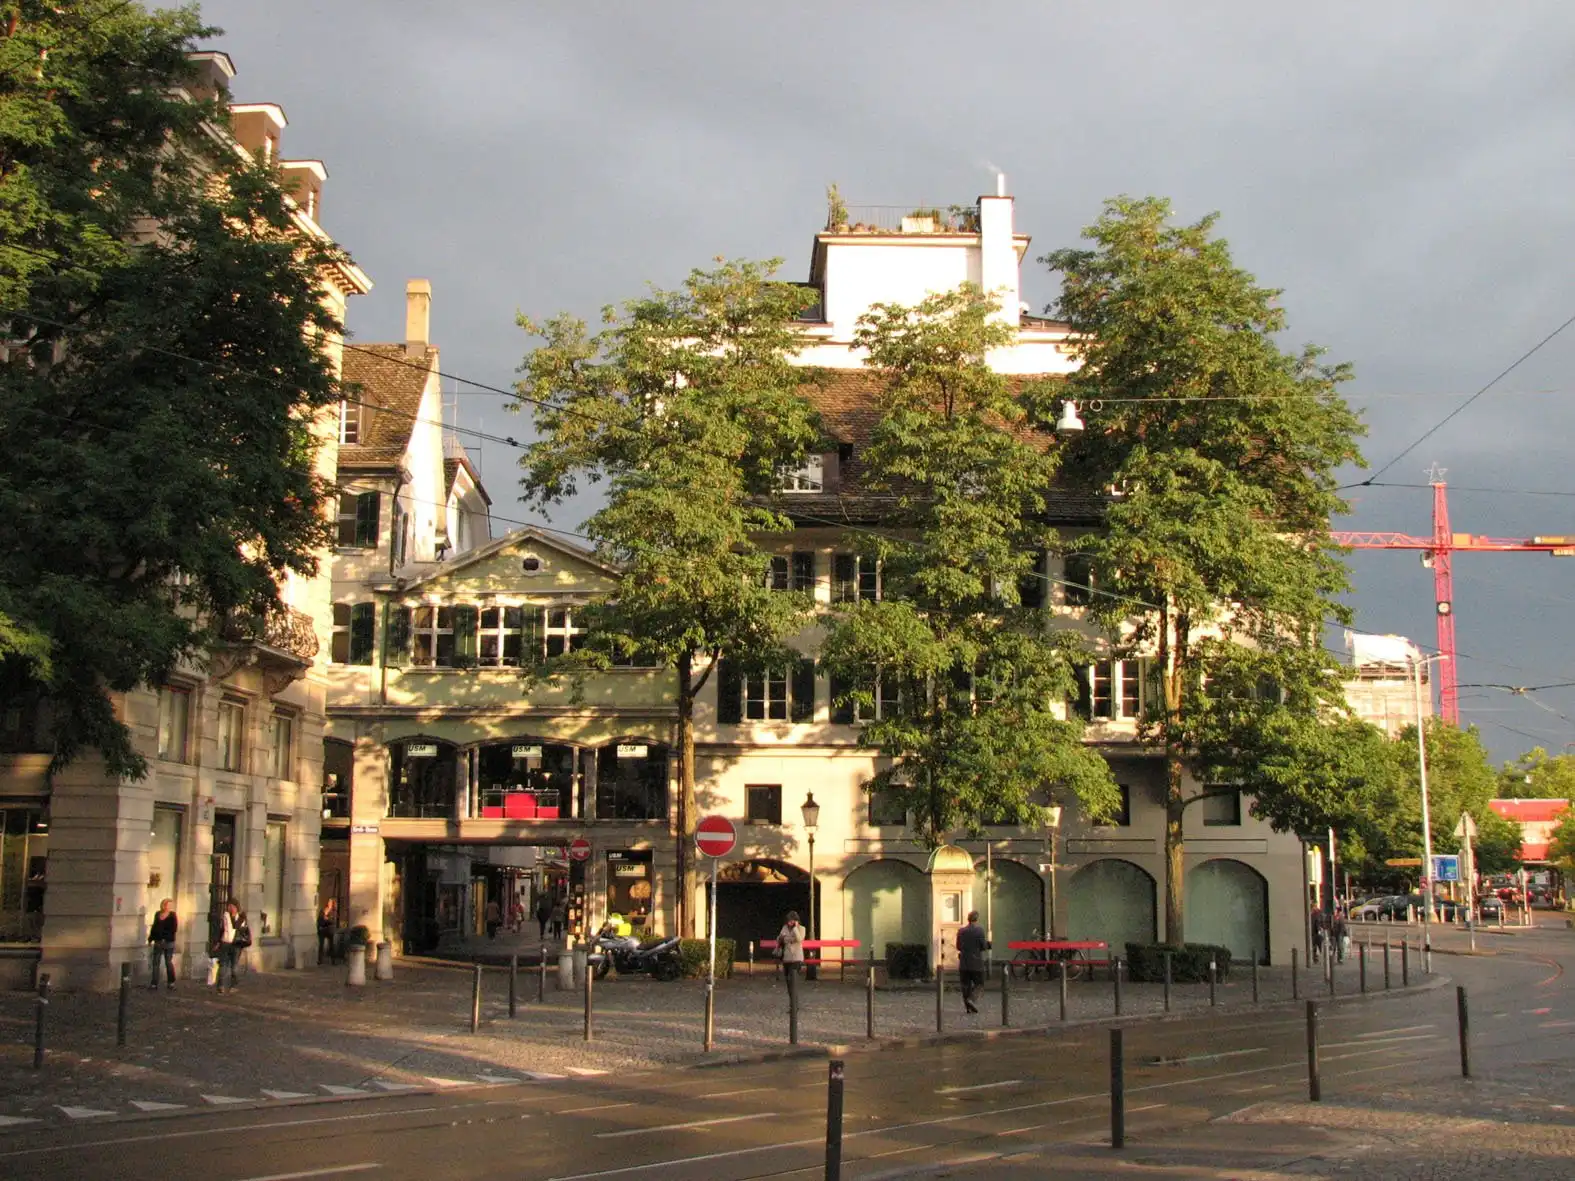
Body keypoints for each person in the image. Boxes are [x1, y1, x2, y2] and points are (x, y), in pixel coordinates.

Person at [956, 910, 989, 1014]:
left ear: (968, 919)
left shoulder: (961, 931)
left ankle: (968, 1008)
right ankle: (971, 999)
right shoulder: (979, 931)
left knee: (965, 985)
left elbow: (958, 946)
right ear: (976, 919)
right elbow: (983, 946)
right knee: (980, 984)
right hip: (976, 963)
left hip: (964, 963)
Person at [215, 898, 249, 994]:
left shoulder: (241, 917)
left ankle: (233, 985)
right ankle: (220, 986)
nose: (230, 908)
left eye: (232, 906)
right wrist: (218, 942)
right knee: (223, 965)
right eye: (229, 906)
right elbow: (222, 929)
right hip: (225, 942)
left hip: (236, 944)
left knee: (234, 967)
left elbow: (238, 928)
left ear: (236, 907)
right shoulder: (226, 915)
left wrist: (238, 917)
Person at [147, 899, 178, 991]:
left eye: (171, 905)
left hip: (168, 942)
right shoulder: (157, 914)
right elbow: (154, 927)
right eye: (168, 905)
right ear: (163, 905)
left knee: (168, 962)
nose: (169, 907)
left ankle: (171, 982)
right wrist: (150, 939)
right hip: (158, 941)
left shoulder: (172, 915)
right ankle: (154, 983)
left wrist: (165, 938)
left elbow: (174, 929)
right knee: (156, 962)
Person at [776, 910, 806, 981]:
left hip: (796, 957)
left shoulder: (801, 928)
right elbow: (779, 938)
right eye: (789, 920)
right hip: (787, 957)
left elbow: (799, 939)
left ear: (796, 921)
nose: (790, 922)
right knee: (787, 979)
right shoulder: (785, 927)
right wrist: (784, 938)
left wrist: (795, 928)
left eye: (792, 920)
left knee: (793, 978)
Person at [316, 898, 338, 966]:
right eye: (328, 902)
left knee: (331, 945)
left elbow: (333, 921)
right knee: (321, 946)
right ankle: (320, 960)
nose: (329, 903)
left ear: (332, 903)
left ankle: (333, 960)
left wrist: (327, 919)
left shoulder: (333, 911)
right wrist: (319, 927)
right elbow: (319, 920)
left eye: (330, 902)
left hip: (330, 930)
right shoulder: (322, 910)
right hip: (322, 930)